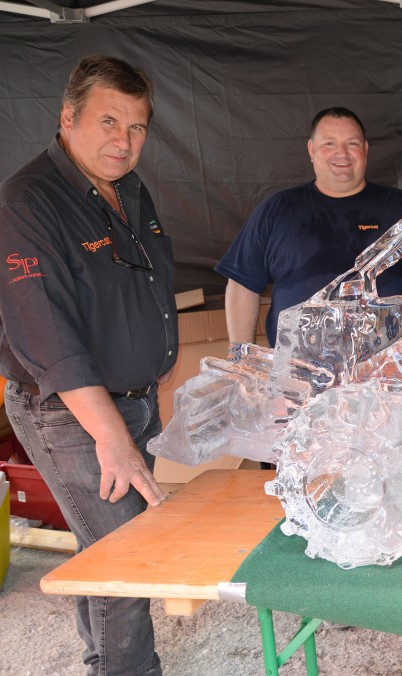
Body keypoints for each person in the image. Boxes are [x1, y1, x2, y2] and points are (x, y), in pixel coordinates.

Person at [0, 54, 174, 675]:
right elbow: (49, 340)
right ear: (67, 119)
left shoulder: (128, 188)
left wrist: (160, 381)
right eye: (107, 122)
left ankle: (104, 661)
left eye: (136, 128)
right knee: (126, 554)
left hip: (132, 401)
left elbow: (150, 286)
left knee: (102, 546)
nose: (122, 141)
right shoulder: (28, 202)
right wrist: (113, 439)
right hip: (71, 412)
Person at [216, 107, 402, 348]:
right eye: (329, 144)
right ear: (311, 150)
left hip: (387, 372)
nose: (342, 154)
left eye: (352, 144)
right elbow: (242, 285)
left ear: (365, 150)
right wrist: (241, 356)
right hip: (297, 374)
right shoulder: (277, 209)